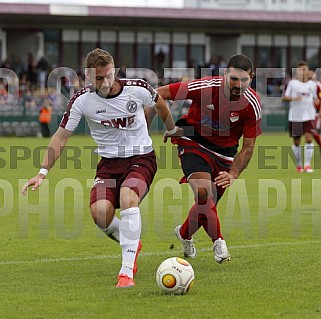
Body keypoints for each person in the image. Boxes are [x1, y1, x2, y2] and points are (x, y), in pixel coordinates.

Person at [21, 48, 182, 288]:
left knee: (129, 196)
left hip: (141, 158)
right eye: (98, 78)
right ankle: (131, 242)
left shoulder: (137, 88)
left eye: (108, 75)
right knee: (100, 214)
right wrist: (42, 172)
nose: (105, 82)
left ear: (114, 71)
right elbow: (61, 137)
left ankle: (126, 273)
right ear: (87, 76)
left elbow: (160, 104)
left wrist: (171, 129)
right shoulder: (82, 101)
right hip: (108, 165)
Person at [147, 54, 262, 263]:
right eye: (233, 78)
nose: (238, 84)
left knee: (206, 206)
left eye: (243, 79)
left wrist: (234, 173)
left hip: (225, 153)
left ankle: (183, 234)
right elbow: (159, 94)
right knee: (203, 192)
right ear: (225, 74)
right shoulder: (206, 87)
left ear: (251, 77)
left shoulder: (252, 103)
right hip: (194, 142)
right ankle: (218, 241)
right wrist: (171, 128)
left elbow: (248, 146)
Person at [282, 61, 320, 173]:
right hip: (295, 116)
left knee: (309, 138)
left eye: (304, 69)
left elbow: (315, 98)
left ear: (308, 71)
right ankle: (299, 165)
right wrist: (294, 98)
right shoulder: (292, 84)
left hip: (309, 116)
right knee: (297, 141)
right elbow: (284, 97)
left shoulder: (313, 84)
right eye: (300, 70)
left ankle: (307, 165)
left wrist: (316, 100)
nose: (302, 72)